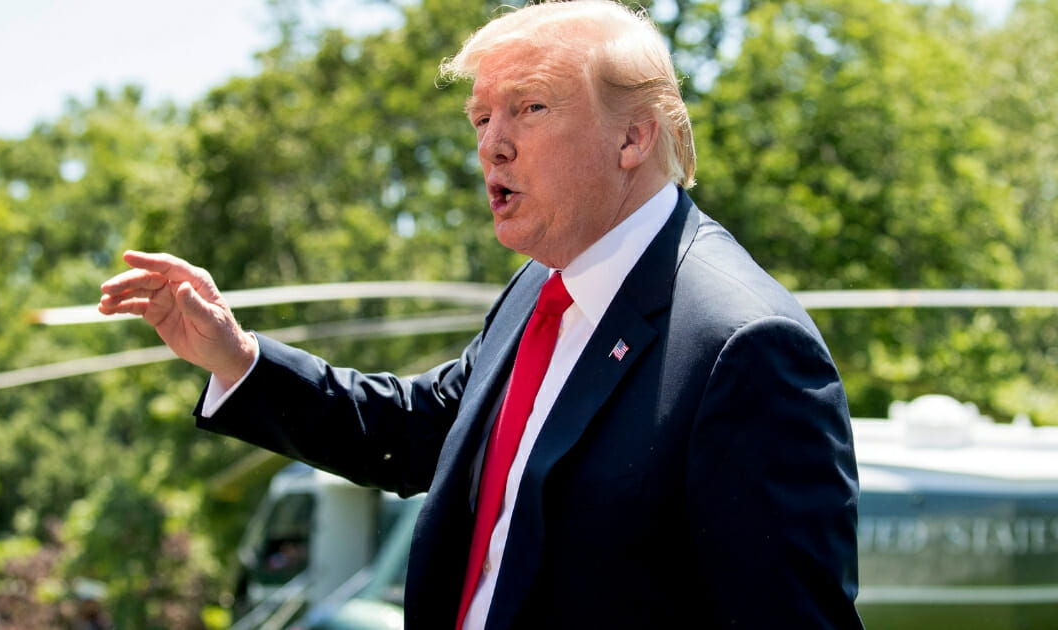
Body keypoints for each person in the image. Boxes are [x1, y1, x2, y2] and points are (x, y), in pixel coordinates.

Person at [99, 1, 863, 628]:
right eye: (480, 118)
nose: (492, 145)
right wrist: (237, 358)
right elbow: (420, 433)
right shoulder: (540, 287)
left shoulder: (746, 348)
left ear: (634, 136)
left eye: (528, 108)